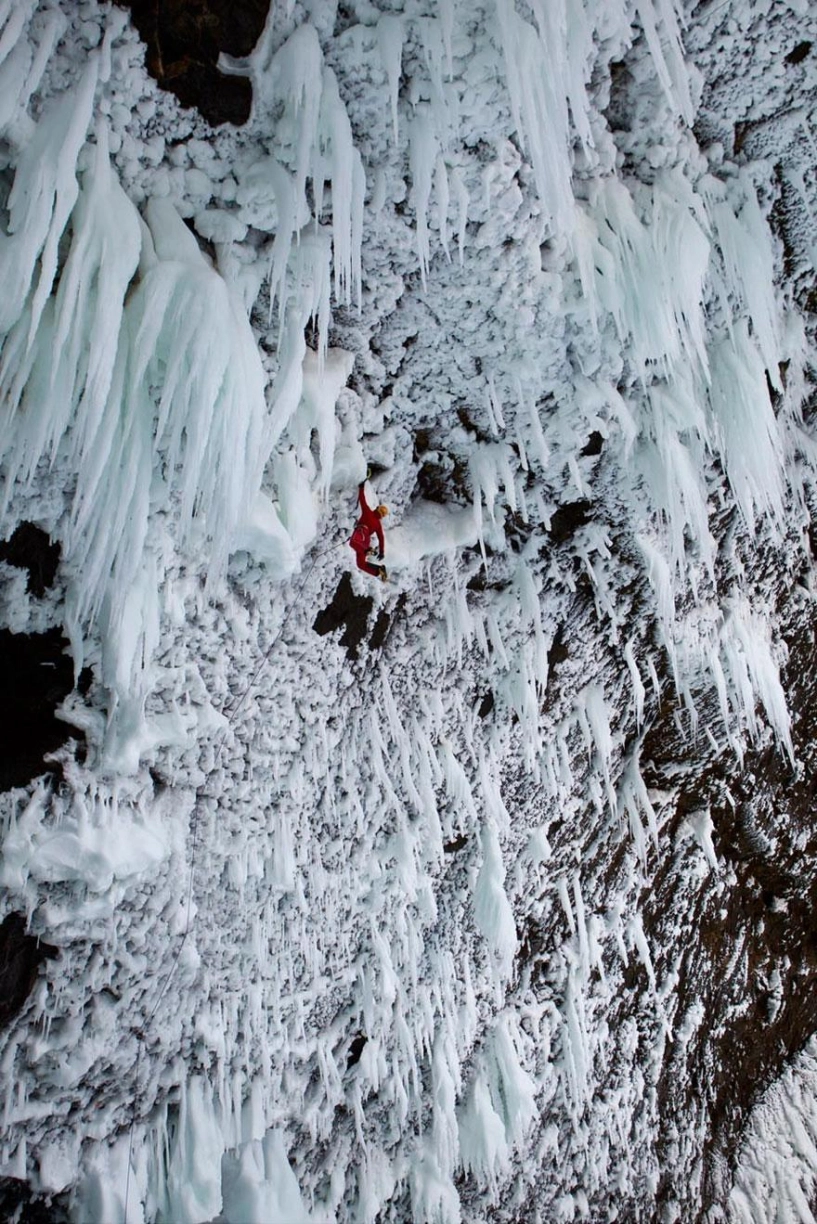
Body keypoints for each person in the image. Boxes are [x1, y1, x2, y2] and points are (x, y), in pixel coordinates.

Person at [349, 481, 389, 580]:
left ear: (377, 508)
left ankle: (367, 550)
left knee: (352, 543)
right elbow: (381, 538)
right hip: (365, 541)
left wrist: (361, 487)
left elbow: (362, 499)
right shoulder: (378, 525)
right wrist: (382, 551)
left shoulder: (368, 511)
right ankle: (378, 570)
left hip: (360, 535)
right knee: (361, 564)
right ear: (382, 516)